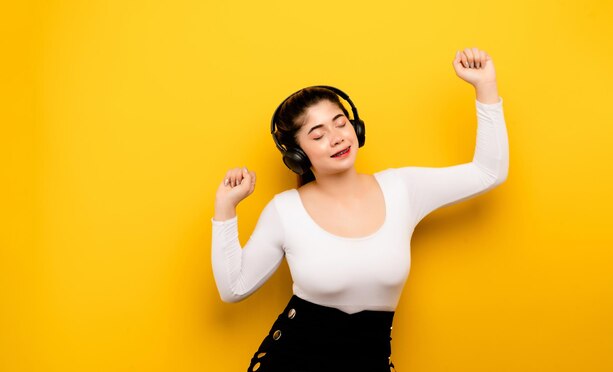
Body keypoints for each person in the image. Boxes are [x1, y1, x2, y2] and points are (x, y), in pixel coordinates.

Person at [211, 47, 509, 372]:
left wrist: (485, 86)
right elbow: (234, 287)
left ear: (357, 128)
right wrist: (225, 208)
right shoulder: (285, 211)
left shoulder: (402, 189)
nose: (337, 138)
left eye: (340, 124)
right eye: (318, 134)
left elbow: (487, 172)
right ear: (297, 155)